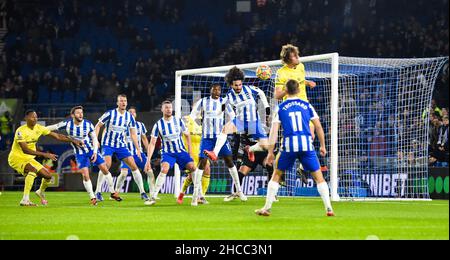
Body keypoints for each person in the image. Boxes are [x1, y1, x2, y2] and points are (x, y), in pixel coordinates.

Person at [255, 80, 334, 217]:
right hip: (306, 145)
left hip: (289, 145)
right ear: (298, 90)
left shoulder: (280, 107)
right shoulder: (307, 105)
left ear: (285, 90)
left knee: (277, 174)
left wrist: (270, 152)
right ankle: (329, 208)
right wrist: (322, 145)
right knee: (319, 178)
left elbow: (274, 132)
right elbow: (319, 126)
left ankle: (267, 208)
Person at [179, 84, 247, 204]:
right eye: (214, 89)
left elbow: (233, 117)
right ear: (210, 90)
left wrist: (229, 127)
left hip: (220, 138)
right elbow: (192, 116)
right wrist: (191, 122)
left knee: (229, 161)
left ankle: (239, 191)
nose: (217, 91)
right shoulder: (203, 101)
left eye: (219, 90)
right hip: (207, 139)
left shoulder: (224, 102)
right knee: (202, 163)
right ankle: (196, 196)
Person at [8, 110, 84, 206]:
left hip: (29, 159)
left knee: (48, 176)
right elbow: (25, 150)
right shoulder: (20, 131)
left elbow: (57, 136)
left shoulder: (39, 128)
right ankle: (25, 199)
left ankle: (40, 191)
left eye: (36, 117)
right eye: (32, 117)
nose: (35, 119)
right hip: (16, 158)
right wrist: (44, 154)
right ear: (26, 118)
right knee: (32, 170)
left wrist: (73, 140)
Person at [47, 106, 118, 206]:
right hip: (80, 153)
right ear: (73, 115)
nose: (81, 114)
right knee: (85, 174)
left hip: (91, 150)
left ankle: (113, 192)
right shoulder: (67, 124)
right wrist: (40, 129)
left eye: (81, 112)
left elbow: (94, 139)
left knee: (104, 168)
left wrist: (95, 152)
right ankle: (92, 197)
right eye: (78, 113)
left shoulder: (88, 124)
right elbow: (53, 127)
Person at [204, 66, 271, 164]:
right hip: (240, 122)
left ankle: (250, 149)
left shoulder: (249, 89)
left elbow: (261, 92)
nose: (239, 87)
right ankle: (214, 153)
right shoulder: (229, 96)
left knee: (265, 146)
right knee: (224, 130)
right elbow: (222, 105)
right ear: (231, 85)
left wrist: (267, 107)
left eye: (240, 84)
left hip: (254, 122)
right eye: (236, 85)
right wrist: (217, 114)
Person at [95, 94, 149, 204]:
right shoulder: (110, 113)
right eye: (121, 101)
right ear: (117, 103)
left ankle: (142, 192)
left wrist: (138, 148)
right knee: (107, 165)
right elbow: (98, 126)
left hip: (121, 145)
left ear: (127, 103)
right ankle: (98, 191)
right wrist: (96, 140)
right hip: (108, 144)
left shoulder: (129, 117)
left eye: (125, 101)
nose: (123, 103)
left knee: (133, 165)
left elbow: (133, 133)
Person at [145, 101, 201, 206]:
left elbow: (187, 135)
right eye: (166, 108)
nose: (169, 109)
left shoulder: (178, 121)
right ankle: (153, 197)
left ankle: (196, 196)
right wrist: (148, 160)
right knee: (164, 169)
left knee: (193, 167)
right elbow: (152, 143)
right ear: (162, 110)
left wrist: (189, 152)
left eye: (170, 107)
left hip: (181, 151)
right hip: (168, 153)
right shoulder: (158, 125)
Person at [115, 107, 155, 199]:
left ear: (136, 114)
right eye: (130, 112)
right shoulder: (122, 125)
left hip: (139, 154)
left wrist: (149, 154)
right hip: (126, 154)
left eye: (134, 112)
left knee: (150, 171)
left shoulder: (140, 125)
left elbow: (144, 139)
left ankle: (152, 194)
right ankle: (116, 192)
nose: (132, 113)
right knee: (124, 173)